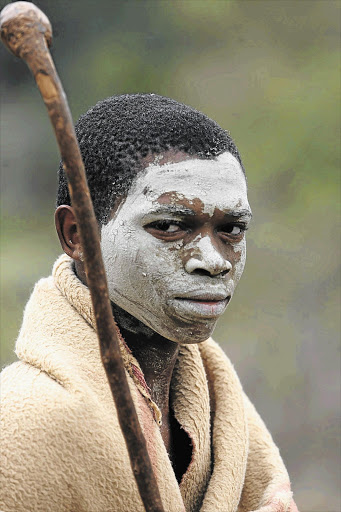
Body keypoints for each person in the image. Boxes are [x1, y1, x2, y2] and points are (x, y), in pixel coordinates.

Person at [0, 94, 298, 511]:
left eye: (231, 229)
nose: (213, 261)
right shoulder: (24, 425)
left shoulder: (225, 417)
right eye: (170, 226)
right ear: (77, 235)